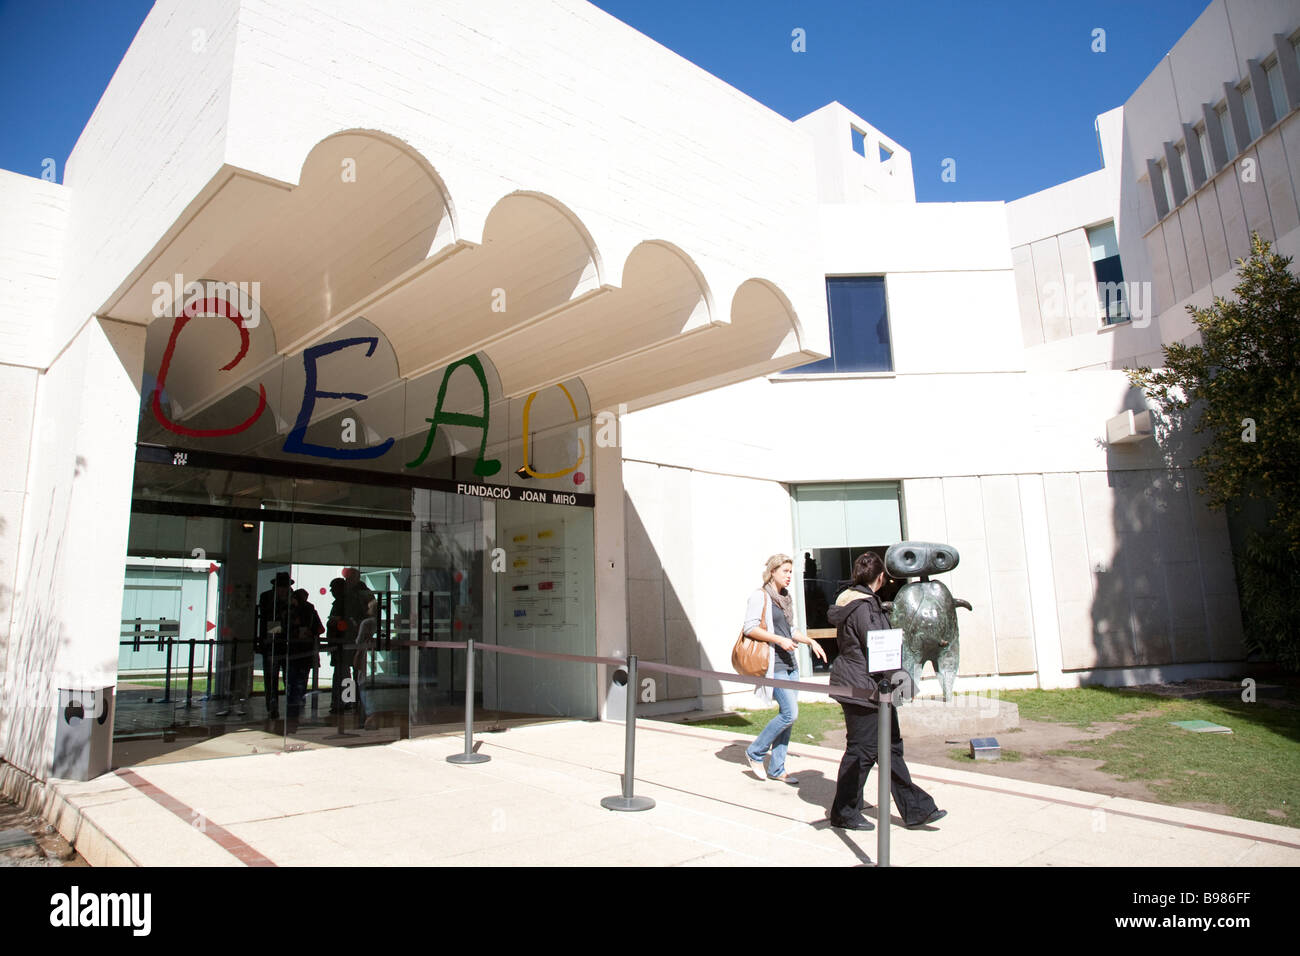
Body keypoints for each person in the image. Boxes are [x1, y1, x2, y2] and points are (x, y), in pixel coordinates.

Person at [826, 551, 946, 831]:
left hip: (867, 686)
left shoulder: (853, 602)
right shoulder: (865, 607)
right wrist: (904, 682)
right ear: (881, 577)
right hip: (863, 689)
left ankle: (916, 809)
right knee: (862, 751)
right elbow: (880, 651)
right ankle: (844, 812)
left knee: (889, 748)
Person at [741, 553, 826, 784]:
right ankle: (755, 752)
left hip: (790, 663)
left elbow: (790, 629)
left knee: (788, 718)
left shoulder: (785, 598)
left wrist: (809, 641)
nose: (789, 576)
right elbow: (750, 628)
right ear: (772, 572)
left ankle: (777, 768)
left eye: (790, 571)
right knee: (790, 713)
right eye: (785, 571)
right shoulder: (761, 596)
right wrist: (779, 640)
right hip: (773, 664)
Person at [257, 571, 294, 721]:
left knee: (287, 676)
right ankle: (272, 706)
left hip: (287, 642)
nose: (284, 590)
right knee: (271, 677)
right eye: (282, 587)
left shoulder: (291, 598)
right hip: (273, 642)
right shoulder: (268, 598)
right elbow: (268, 618)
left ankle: (287, 705)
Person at [287, 588, 324, 731]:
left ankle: (293, 711)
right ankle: (297, 709)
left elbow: (319, 629)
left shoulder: (296, 611)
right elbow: (320, 629)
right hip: (305, 652)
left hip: (298, 652)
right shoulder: (310, 612)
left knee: (294, 683)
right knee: (300, 683)